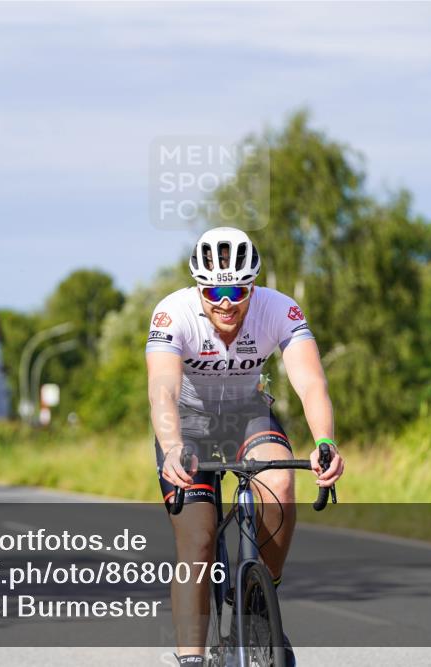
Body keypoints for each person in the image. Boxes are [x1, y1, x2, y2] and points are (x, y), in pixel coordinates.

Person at [147, 227, 344, 666]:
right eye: (214, 290)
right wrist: (173, 445)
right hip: (188, 422)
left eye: (237, 290)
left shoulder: (280, 309)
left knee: (280, 485)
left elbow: (311, 382)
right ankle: (192, 658)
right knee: (198, 539)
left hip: (247, 412)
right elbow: (161, 391)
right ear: (199, 288)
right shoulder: (171, 313)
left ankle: (259, 602)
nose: (225, 302)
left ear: (252, 287)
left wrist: (325, 442)